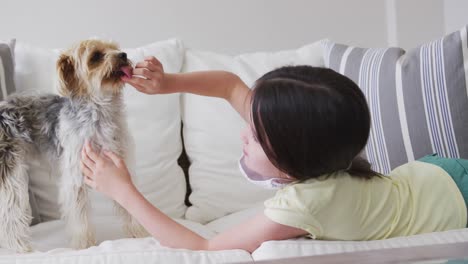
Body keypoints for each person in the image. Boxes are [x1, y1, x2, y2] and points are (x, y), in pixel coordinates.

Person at [81, 56, 468, 253]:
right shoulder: (307, 145)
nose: (243, 134)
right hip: (434, 174)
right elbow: (231, 86)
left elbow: (206, 249)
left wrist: (124, 192)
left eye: (254, 134)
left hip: (455, 204)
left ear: (291, 156)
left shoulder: (308, 201)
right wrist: (169, 83)